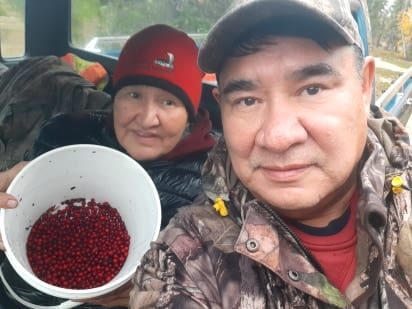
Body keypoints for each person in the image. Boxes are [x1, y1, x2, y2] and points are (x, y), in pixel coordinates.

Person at [128, 0, 412, 308]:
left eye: (312, 89)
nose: (278, 137)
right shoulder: (186, 259)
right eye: (247, 100)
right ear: (221, 105)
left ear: (364, 86)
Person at [0, 24, 216, 309]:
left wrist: (154, 299)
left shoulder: (213, 184)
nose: (148, 118)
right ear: (115, 99)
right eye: (134, 95)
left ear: (189, 115)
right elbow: (19, 207)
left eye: (169, 101)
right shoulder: (64, 135)